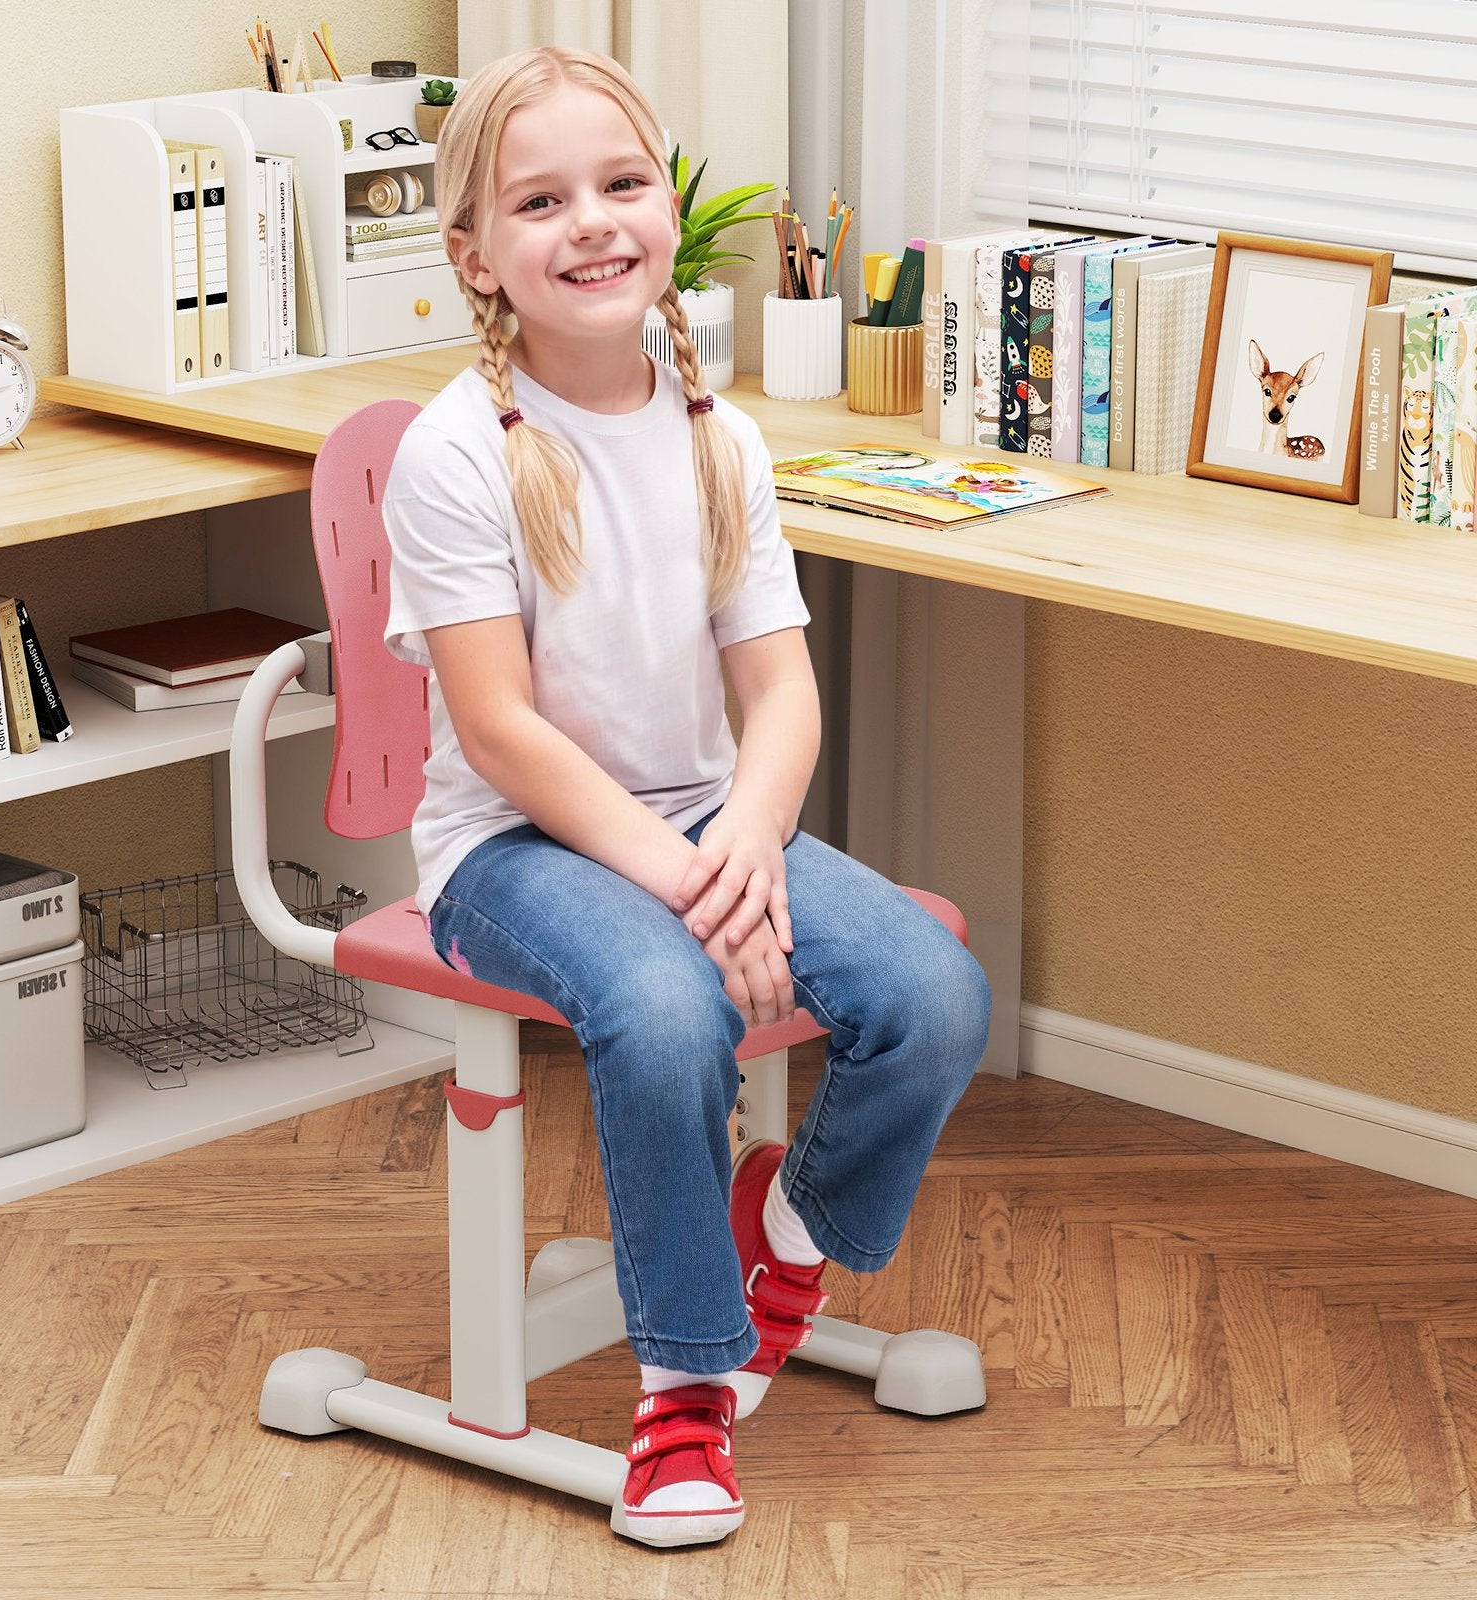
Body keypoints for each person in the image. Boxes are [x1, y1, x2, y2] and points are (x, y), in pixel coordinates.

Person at [381, 44, 992, 1549]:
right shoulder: (452, 452)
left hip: (705, 821)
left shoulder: (721, 436)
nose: (591, 221)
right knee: (665, 1012)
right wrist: (694, 883)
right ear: (475, 255)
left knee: (936, 994)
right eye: (540, 201)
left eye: (622, 183)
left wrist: (746, 844)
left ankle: (784, 1232)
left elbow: (782, 695)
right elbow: (501, 732)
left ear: (670, 210)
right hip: (509, 848)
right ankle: (685, 1387)